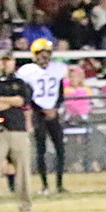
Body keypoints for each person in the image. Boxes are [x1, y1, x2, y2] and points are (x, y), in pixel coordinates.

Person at [0, 51, 33, 212]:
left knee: (23, 170)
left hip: (18, 129)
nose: (5, 64)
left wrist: (4, 100)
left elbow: (24, 101)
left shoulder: (21, 83)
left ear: (13, 62)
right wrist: (13, 101)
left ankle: (25, 204)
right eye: (1, 61)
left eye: (7, 60)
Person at [16, 37, 69, 194]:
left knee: (60, 148)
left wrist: (56, 108)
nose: (44, 56)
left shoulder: (57, 68)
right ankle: (44, 185)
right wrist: (42, 109)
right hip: (38, 114)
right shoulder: (27, 71)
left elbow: (60, 91)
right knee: (41, 149)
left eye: (46, 53)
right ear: (34, 55)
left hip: (53, 112)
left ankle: (59, 184)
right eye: (40, 53)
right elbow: (26, 94)